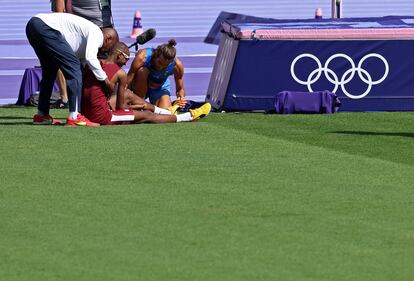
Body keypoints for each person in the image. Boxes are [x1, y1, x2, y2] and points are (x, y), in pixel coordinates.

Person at [81, 42, 211, 125]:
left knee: (128, 95)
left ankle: (166, 112)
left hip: (86, 113)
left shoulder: (92, 63)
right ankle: (189, 116)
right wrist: (140, 107)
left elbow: (180, 88)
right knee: (148, 116)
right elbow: (121, 108)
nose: (126, 62)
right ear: (119, 55)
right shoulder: (124, 70)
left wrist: (181, 98)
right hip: (103, 117)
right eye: (126, 58)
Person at [26, 12, 119, 126]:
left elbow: (85, 62)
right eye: (111, 47)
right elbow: (90, 58)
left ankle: (41, 115)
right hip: (46, 27)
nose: (108, 51)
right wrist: (106, 80)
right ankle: (74, 116)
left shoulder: (87, 35)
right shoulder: (97, 34)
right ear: (109, 38)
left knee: (50, 70)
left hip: (33, 25)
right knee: (74, 68)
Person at [51, 0, 114, 108]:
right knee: (78, 66)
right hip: (79, 26)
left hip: (104, 24)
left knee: (105, 65)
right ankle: (70, 101)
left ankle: (106, 102)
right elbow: (59, 8)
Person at [127, 39, 188, 109]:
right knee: (142, 71)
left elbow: (180, 89)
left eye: (165, 66)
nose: (160, 67)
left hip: (159, 87)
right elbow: (129, 78)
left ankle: (148, 109)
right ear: (156, 54)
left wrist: (181, 98)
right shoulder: (143, 57)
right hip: (140, 84)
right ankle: (139, 102)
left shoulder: (177, 66)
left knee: (165, 114)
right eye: (159, 62)